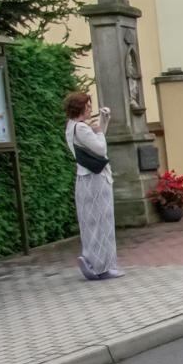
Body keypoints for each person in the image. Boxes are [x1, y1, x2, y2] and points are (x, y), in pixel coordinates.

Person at [63, 91, 123, 281]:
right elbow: (100, 149)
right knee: (103, 222)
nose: (90, 108)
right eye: (88, 106)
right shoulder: (82, 128)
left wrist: (102, 124)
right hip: (96, 180)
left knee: (89, 222)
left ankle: (90, 260)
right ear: (80, 107)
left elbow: (95, 141)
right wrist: (99, 131)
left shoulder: (71, 127)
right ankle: (103, 266)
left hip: (84, 179)